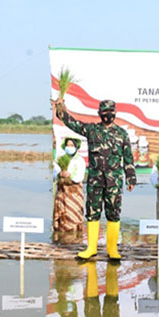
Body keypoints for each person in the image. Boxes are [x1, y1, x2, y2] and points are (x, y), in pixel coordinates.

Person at [54, 98, 136, 260]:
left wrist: (131, 179)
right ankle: (91, 248)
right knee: (92, 213)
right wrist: (61, 107)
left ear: (115, 113)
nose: (107, 115)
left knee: (113, 213)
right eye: (104, 112)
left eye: (110, 112)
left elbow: (128, 158)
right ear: (99, 113)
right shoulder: (91, 130)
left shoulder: (121, 134)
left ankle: (112, 249)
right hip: (95, 181)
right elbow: (72, 123)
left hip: (114, 181)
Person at [53, 137, 87, 233]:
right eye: (67, 145)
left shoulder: (80, 160)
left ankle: (74, 240)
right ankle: (61, 239)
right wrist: (59, 174)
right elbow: (55, 172)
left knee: (74, 216)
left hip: (74, 193)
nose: (69, 147)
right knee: (62, 219)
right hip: (62, 191)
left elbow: (80, 177)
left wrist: (69, 175)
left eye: (72, 145)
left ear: (76, 147)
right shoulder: (60, 159)